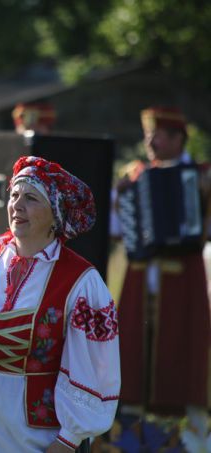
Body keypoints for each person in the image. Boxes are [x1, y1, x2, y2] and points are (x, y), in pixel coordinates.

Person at [0, 156, 120, 452]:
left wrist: (69, 440)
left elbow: (95, 367)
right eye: (14, 195)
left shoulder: (81, 282)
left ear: (55, 214)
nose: (17, 205)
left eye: (30, 199)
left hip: (33, 433)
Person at [113, 107, 210, 433]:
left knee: (184, 338)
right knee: (134, 336)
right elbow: (119, 225)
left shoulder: (201, 175)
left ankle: (190, 419)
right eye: (147, 135)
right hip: (143, 273)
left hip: (183, 274)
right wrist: (124, 201)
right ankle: (131, 415)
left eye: (157, 135)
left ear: (178, 138)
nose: (150, 142)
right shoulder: (138, 175)